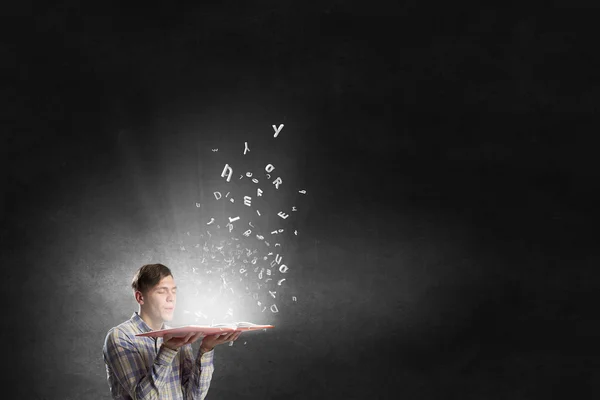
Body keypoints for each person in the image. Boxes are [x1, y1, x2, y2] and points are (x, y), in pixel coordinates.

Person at [103, 263, 241, 399]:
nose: (171, 298)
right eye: (162, 291)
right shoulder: (120, 336)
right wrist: (168, 350)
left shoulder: (178, 335)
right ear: (140, 297)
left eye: (173, 291)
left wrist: (206, 348)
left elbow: (193, 397)